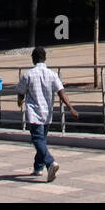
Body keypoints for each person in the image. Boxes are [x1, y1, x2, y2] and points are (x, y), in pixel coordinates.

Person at [15, 47, 78, 182]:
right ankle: (38, 168)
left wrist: (20, 101)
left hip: (34, 114)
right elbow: (61, 92)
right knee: (41, 141)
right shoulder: (52, 74)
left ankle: (50, 163)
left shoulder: (28, 75)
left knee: (37, 140)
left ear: (33, 59)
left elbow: (20, 92)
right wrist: (71, 108)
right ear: (45, 58)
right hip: (47, 114)